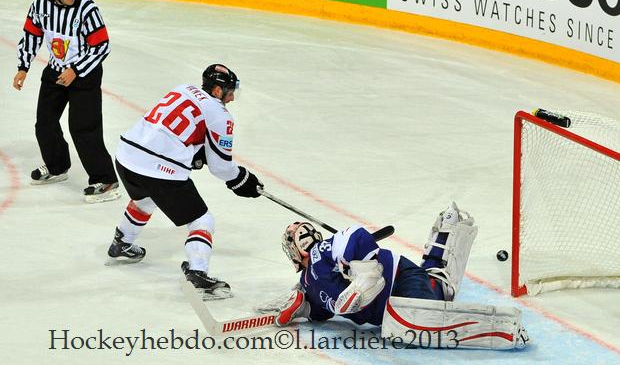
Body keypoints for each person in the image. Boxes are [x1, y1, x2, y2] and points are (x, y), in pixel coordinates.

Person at [275, 203, 530, 350]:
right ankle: (445, 239)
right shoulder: (310, 282)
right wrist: (304, 307)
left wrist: (367, 274)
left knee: (415, 323)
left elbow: (356, 235)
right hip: (398, 298)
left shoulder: (322, 253)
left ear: (294, 252)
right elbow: (326, 310)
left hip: (401, 281)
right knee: (435, 294)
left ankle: (503, 328)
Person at [106, 64, 263, 300]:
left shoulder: (183, 89)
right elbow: (221, 168)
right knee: (202, 220)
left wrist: (196, 153)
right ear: (218, 91)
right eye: (230, 91)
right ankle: (198, 275)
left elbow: (173, 130)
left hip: (126, 155)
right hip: (157, 168)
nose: (232, 97)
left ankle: (122, 242)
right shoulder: (221, 116)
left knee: (146, 199)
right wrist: (242, 180)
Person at [12, 0, 120, 204]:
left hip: (85, 75)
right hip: (55, 72)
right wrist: (23, 66)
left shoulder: (88, 9)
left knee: (83, 128)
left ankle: (106, 179)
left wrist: (76, 69)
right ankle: (57, 166)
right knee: (45, 123)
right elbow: (31, 35)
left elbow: (102, 46)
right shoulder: (40, 5)